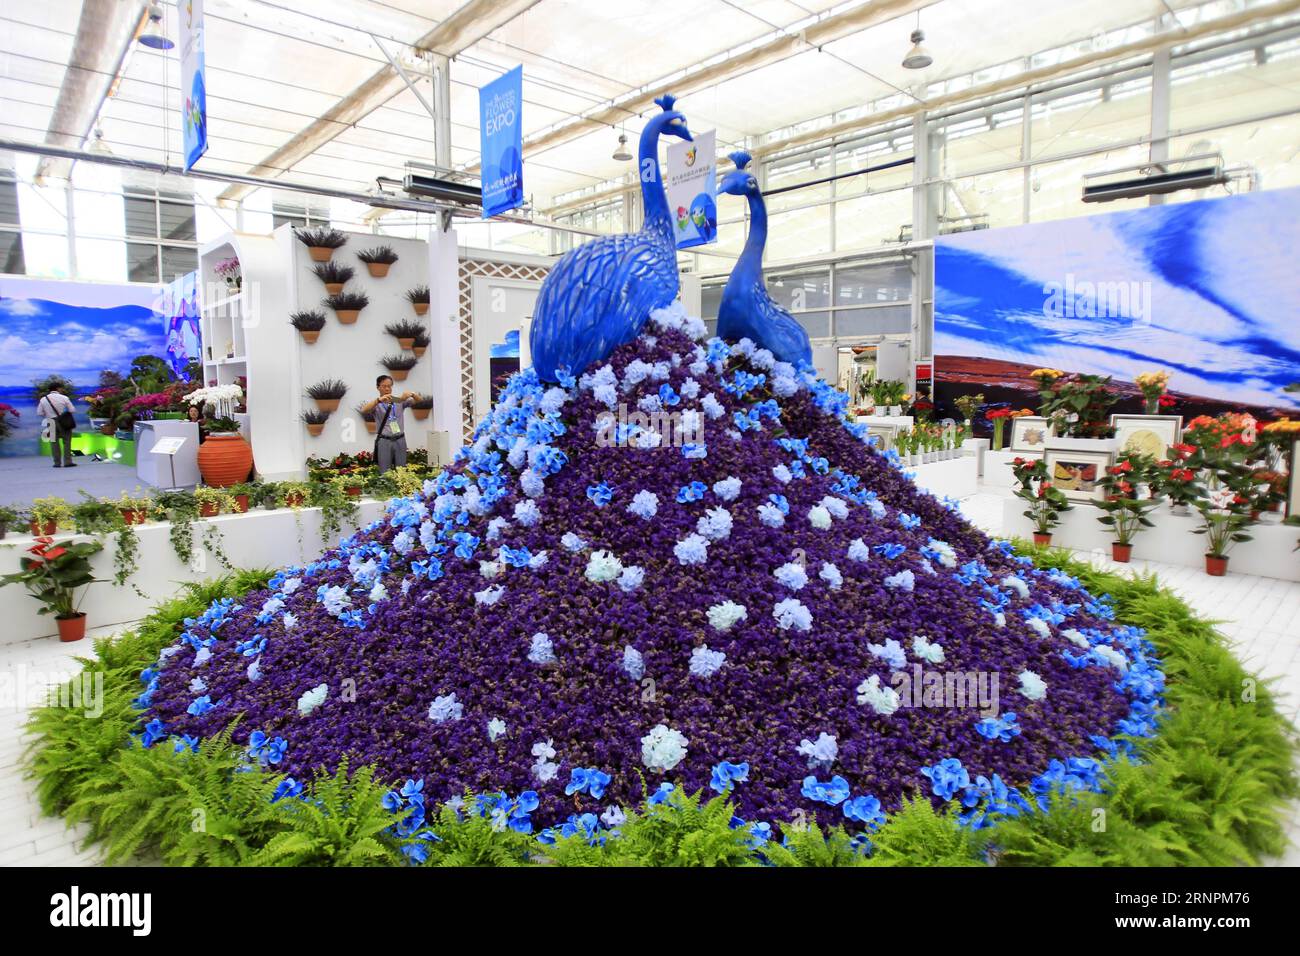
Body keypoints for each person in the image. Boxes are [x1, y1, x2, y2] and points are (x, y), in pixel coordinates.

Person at [360, 375, 422, 473]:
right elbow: (364, 410)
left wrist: (412, 394)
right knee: (385, 471)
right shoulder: (377, 404)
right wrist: (378, 400)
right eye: (384, 386)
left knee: (401, 470)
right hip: (385, 440)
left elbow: (419, 400)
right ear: (378, 387)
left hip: (400, 438)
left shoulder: (398, 400)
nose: (387, 389)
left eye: (389, 386)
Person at [37, 385, 77, 468]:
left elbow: (39, 413)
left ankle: (57, 463)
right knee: (67, 442)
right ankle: (67, 462)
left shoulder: (43, 399)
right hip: (63, 422)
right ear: (58, 389)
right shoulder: (64, 397)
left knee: (54, 442)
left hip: (50, 421)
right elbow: (72, 410)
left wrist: (48, 414)